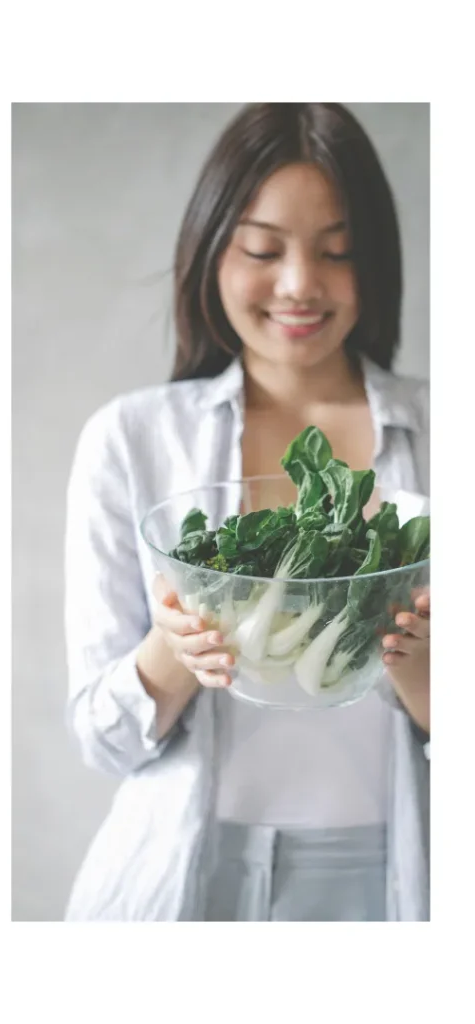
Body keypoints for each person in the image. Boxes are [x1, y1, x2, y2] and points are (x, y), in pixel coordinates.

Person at [63, 103, 430, 922]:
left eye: (337, 252)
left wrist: (420, 669)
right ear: (209, 253)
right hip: (185, 882)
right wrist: (172, 649)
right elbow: (101, 737)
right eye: (264, 249)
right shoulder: (131, 440)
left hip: (403, 884)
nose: (300, 283)